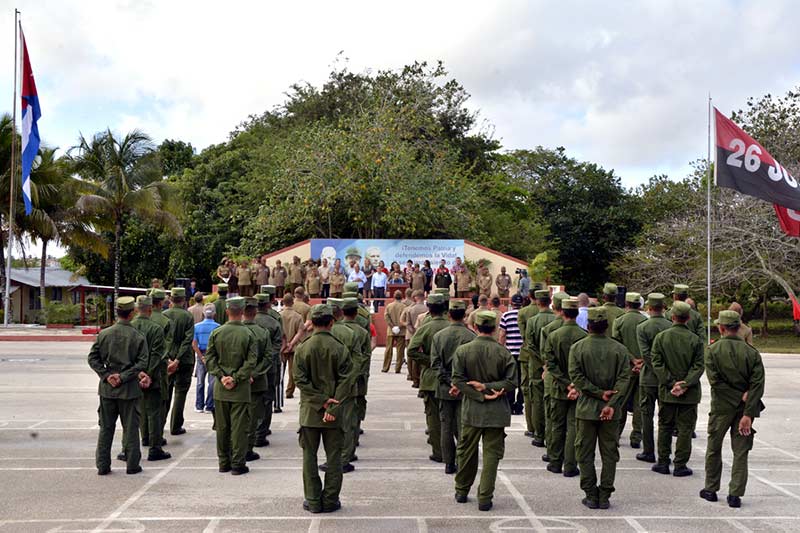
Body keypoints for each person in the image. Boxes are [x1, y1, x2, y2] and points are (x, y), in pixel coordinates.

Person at [701, 310, 766, 508]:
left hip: (721, 408)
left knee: (714, 448)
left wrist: (737, 398)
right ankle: (735, 494)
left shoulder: (712, 351)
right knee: (741, 451)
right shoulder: (752, 353)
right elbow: (758, 385)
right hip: (744, 410)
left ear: (721, 328)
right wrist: (747, 411)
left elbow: (716, 383)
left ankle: (711, 488)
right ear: (739, 328)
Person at [452, 310, 516, 512]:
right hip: (497, 411)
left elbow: (457, 380)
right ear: (495, 328)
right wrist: (489, 387)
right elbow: (512, 382)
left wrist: (480, 391)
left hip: (472, 409)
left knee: (466, 453)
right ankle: (485, 498)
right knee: (491, 457)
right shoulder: (503, 352)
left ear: (475, 327)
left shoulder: (463, 351)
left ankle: (462, 491)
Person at [569, 307, 631, 510]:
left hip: (586, 408)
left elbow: (577, 378)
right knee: (610, 454)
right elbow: (624, 379)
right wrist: (611, 402)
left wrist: (596, 393)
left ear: (588, 326)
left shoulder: (577, 348)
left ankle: (590, 493)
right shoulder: (620, 350)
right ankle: (605, 494)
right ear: (607, 326)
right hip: (611, 411)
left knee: (584, 453)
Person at [294, 304, 351, 513]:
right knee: (334, 457)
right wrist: (331, 405)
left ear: (312, 322)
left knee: (309, 457)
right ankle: (330, 500)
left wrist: (320, 401)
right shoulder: (340, 348)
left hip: (310, 412)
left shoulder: (303, 347)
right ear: (331, 322)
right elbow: (347, 381)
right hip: (333, 414)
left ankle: (313, 500)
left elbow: (299, 380)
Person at [88, 296, 149, 475]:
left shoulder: (104, 334)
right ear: (132, 313)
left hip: (108, 390)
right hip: (129, 390)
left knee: (106, 428)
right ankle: (132, 465)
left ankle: (103, 465)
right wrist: (123, 377)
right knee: (130, 429)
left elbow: (93, 358)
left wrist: (107, 376)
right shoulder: (137, 336)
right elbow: (142, 363)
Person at [650, 301, 705, 477]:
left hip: (667, 392)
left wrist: (670, 383)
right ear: (688, 318)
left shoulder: (661, 338)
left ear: (672, 317)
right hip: (688, 394)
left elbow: (656, 363)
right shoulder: (695, 340)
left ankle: (663, 462)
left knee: (665, 426)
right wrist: (685, 384)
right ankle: (680, 464)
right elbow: (699, 366)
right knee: (685, 429)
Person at [203, 297, 257, 475]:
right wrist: (236, 378)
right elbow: (251, 362)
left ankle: (223, 462)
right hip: (240, 390)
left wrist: (222, 376)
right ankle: (237, 463)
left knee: (222, 428)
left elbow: (209, 358)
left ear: (227, 312)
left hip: (220, 388)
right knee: (239, 429)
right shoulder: (249, 334)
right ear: (242, 312)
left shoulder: (217, 333)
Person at [431, 300, 475, 474]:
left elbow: (435, 364)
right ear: (464, 316)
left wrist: (450, 382)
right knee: (463, 427)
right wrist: (459, 383)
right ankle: (462, 460)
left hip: (444, 388)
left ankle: (449, 463)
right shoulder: (471, 337)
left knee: (446, 428)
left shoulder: (439, 336)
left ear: (449, 315)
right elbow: (473, 366)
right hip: (465, 388)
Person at [543, 297, 585, 477]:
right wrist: (574, 384)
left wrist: (565, 383)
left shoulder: (553, 336)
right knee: (574, 425)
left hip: (558, 386)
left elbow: (550, 364)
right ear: (576, 313)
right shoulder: (584, 336)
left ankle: (555, 461)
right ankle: (570, 464)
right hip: (578, 388)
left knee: (557, 425)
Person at [407, 293, 450, 463]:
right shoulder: (453, 325)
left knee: (433, 418)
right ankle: (453, 452)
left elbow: (411, 350)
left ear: (429, 309)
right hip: (451, 377)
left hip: (431, 377)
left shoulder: (425, 327)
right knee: (451, 417)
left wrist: (429, 361)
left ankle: (439, 452)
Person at [635, 293, 672, 464]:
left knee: (646, 415)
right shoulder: (670, 326)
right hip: (666, 378)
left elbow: (646, 355)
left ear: (649, 308)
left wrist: (656, 370)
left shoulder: (642, 327)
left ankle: (648, 451)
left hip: (649, 377)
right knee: (665, 417)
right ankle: (665, 452)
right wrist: (665, 374)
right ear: (663, 308)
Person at [611, 292, 646, 449]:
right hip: (643, 368)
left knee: (621, 402)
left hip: (626, 368)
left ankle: (617, 434)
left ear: (626, 304)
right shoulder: (645, 322)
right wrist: (641, 361)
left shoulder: (619, 321)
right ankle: (636, 436)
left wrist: (632, 360)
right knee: (639, 403)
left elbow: (617, 345)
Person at [340, 297, 371, 469]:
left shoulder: (336, 330)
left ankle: (342, 451)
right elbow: (365, 357)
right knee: (354, 414)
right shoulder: (362, 332)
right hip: (358, 378)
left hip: (338, 380)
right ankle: (350, 449)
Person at [525, 289, 557, 447]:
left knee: (537, 400)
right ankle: (552, 436)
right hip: (554, 367)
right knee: (552, 399)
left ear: (537, 301)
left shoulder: (533, 321)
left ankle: (539, 435)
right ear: (550, 300)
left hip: (537, 366)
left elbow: (530, 345)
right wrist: (549, 363)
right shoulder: (558, 319)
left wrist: (541, 361)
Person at [242, 297, 272, 462]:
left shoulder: (228, 331)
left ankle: (235, 448)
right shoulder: (262, 332)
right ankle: (247, 449)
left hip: (235, 383)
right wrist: (253, 374)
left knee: (237, 417)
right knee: (253, 418)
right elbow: (268, 357)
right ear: (255, 312)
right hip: (257, 382)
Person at [163, 287, 195, 436]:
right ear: (183, 300)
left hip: (166, 360)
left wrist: (169, 359)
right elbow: (188, 339)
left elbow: (161, 341)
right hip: (184, 360)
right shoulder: (187, 316)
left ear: (170, 299)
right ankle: (175, 426)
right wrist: (178, 359)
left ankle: (159, 425)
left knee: (165, 394)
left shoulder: (164, 315)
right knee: (180, 394)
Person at [254, 291, 284, 445]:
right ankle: (261, 432)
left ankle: (252, 431)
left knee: (252, 399)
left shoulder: (249, 320)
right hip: (269, 367)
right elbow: (278, 345)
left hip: (250, 367)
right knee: (267, 398)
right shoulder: (274, 322)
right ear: (268, 304)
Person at [516, 287, 540, 438]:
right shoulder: (552, 315)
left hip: (527, 354)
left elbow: (524, 335)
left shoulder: (523, 312)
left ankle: (531, 426)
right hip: (544, 355)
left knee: (527, 389)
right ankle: (541, 427)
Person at [193, 304, 220, 414]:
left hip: (201, 354)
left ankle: (199, 405)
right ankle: (209, 405)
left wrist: (201, 357)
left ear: (203, 314)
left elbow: (194, 344)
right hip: (213, 354)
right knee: (212, 381)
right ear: (214, 314)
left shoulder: (197, 326)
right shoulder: (218, 327)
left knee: (200, 381)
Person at [499, 294, 524, 414]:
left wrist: (501, 349)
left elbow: (503, 334)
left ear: (511, 303)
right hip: (523, 352)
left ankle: (509, 403)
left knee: (510, 379)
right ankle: (519, 405)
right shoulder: (525, 316)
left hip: (510, 352)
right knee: (522, 380)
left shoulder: (506, 315)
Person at [281, 294, 305, 399]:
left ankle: (279, 390)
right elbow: (300, 332)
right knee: (292, 371)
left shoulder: (279, 315)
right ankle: (289, 391)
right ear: (292, 302)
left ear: (283, 302)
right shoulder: (298, 316)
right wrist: (291, 343)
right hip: (294, 347)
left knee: (281, 370)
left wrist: (285, 344)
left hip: (282, 347)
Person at [402, 290, 428, 387]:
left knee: (411, 358)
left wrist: (414, 333)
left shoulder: (410, 309)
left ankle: (413, 377)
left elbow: (408, 324)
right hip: (425, 336)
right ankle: (421, 377)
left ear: (416, 297)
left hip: (411, 335)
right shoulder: (427, 309)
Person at [383, 290, 406, 373]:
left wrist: (392, 326)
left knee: (388, 349)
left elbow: (386, 317)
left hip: (391, 330)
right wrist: (399, 327)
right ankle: (398, 368)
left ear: (393, 296)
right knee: (400, 351)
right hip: (402, 331)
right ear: (402, 296)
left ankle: (385, 367)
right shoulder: (404, 307)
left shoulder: (389, 306)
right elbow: (405, 318)